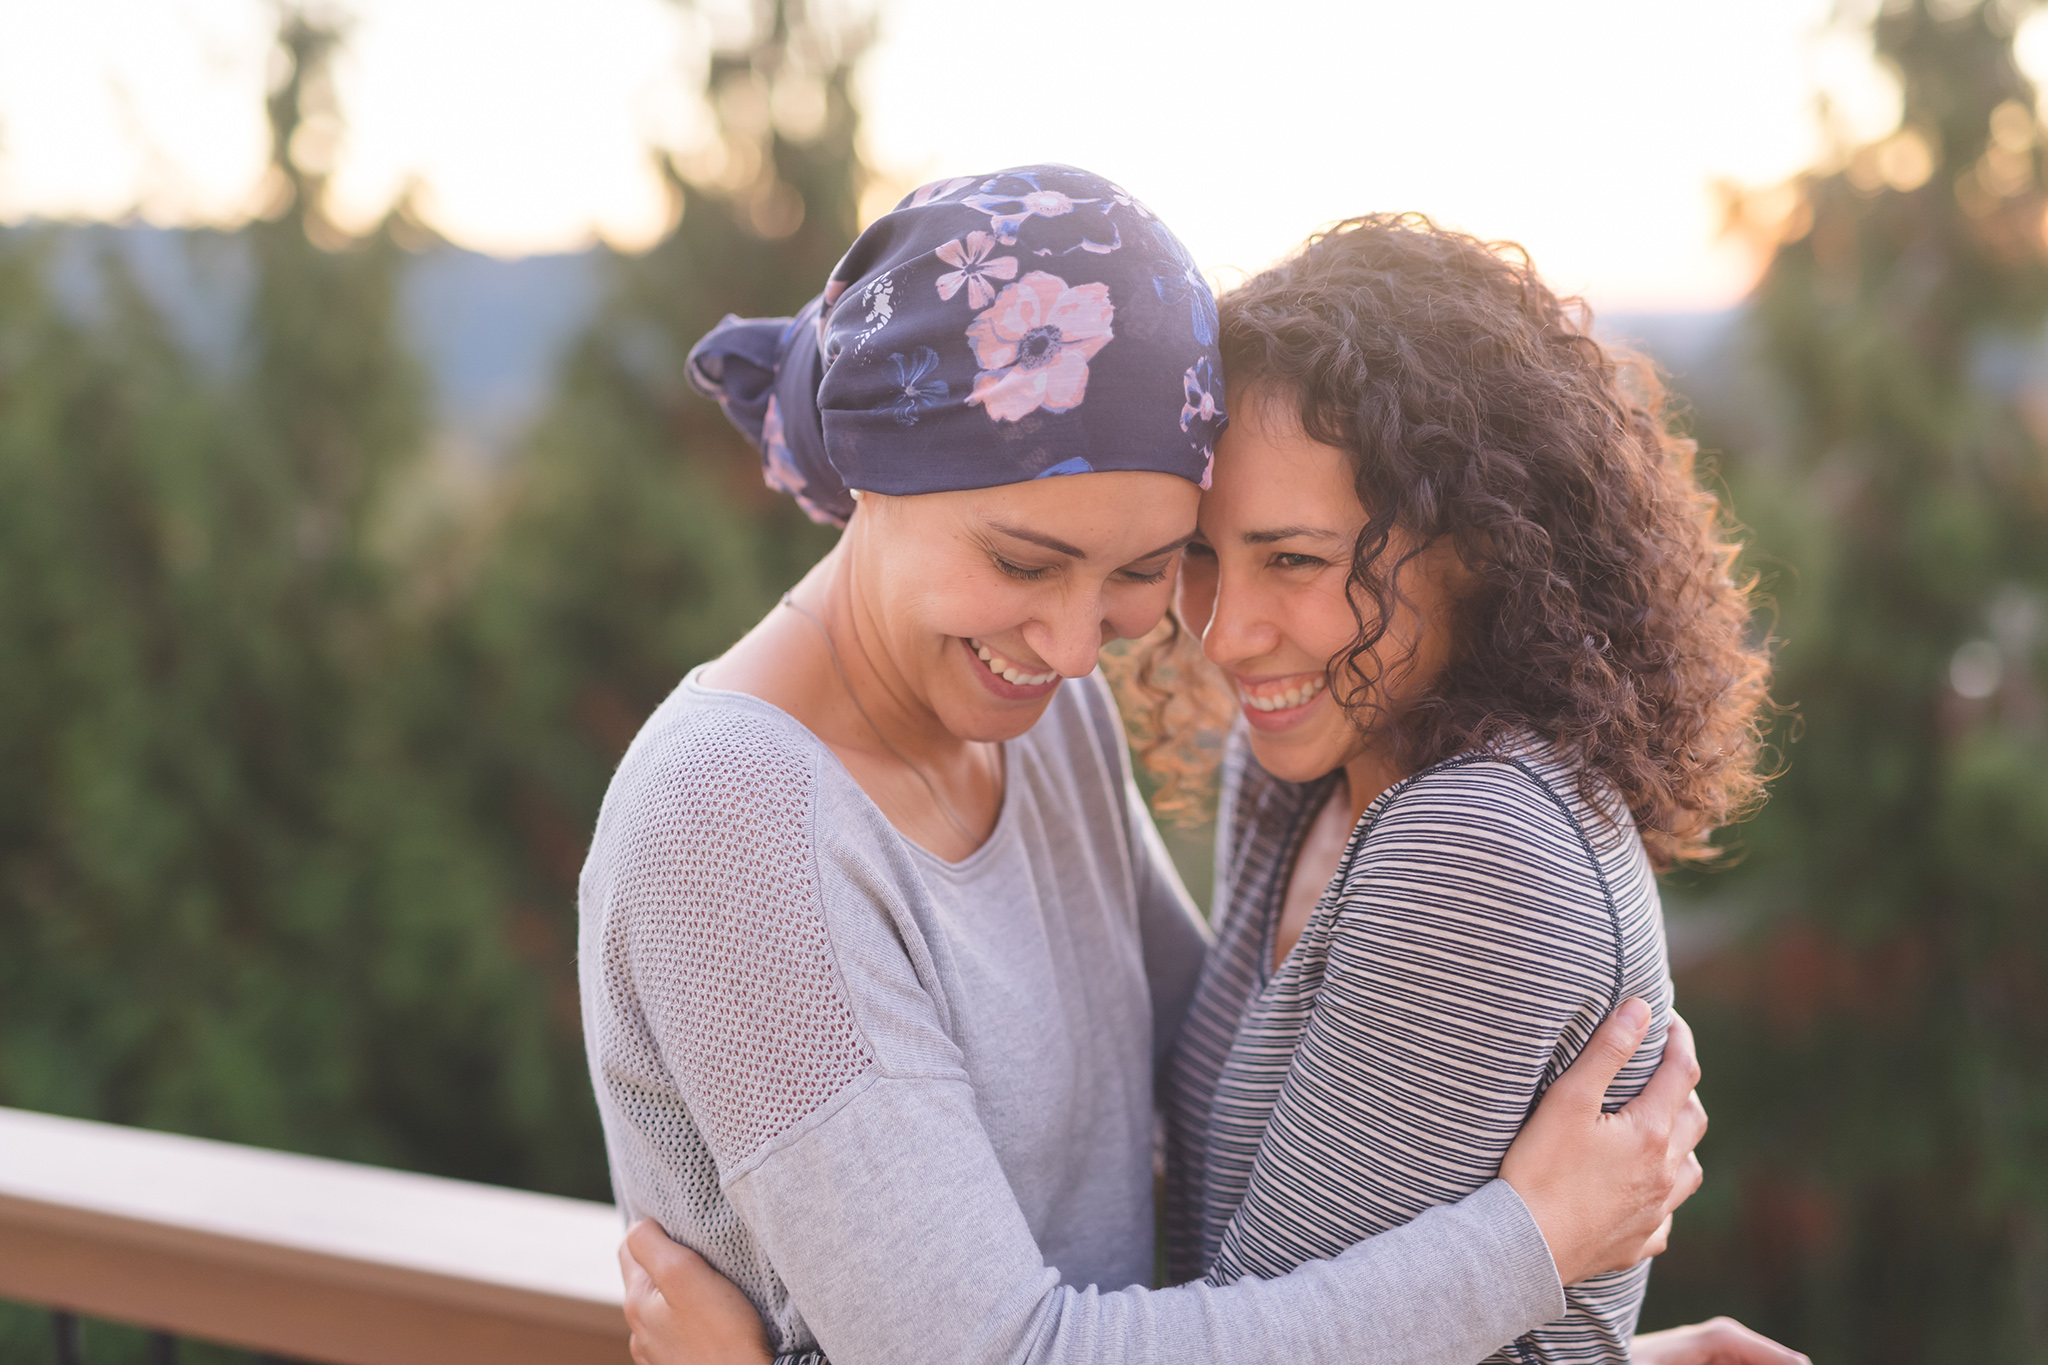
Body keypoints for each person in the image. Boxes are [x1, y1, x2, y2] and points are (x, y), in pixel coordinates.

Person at [580, 166, 1711, 1365]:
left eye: (1137, 572)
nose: (1076, 648)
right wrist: (1527, 1245)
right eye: (1023, 563)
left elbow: (1235, 1088)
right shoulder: (731, 818)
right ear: (871, 470)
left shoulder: (1030, 718)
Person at [1145, 215, 1778, 1364]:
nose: (1224, 634)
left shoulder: (1475, 847)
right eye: (1201, 553)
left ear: (1480, 543)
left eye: (1292, 559)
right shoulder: (1306, 774)